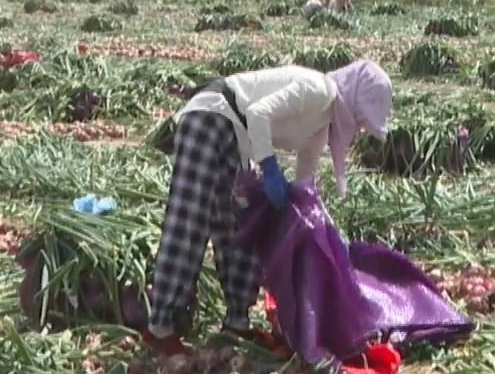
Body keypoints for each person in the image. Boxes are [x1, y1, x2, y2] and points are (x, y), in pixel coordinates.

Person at [146, 60, 394, 356]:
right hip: (211, 117)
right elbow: (257, 113)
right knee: (190, 221)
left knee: (239, 229)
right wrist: (270, 168)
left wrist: (322, 229)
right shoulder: (317, 91)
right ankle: (160, 328)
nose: (361, 126)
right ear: (355, 98)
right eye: (363, 118)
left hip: (237, 138)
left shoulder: (321, 126)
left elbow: (306, 181)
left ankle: (236, 323)